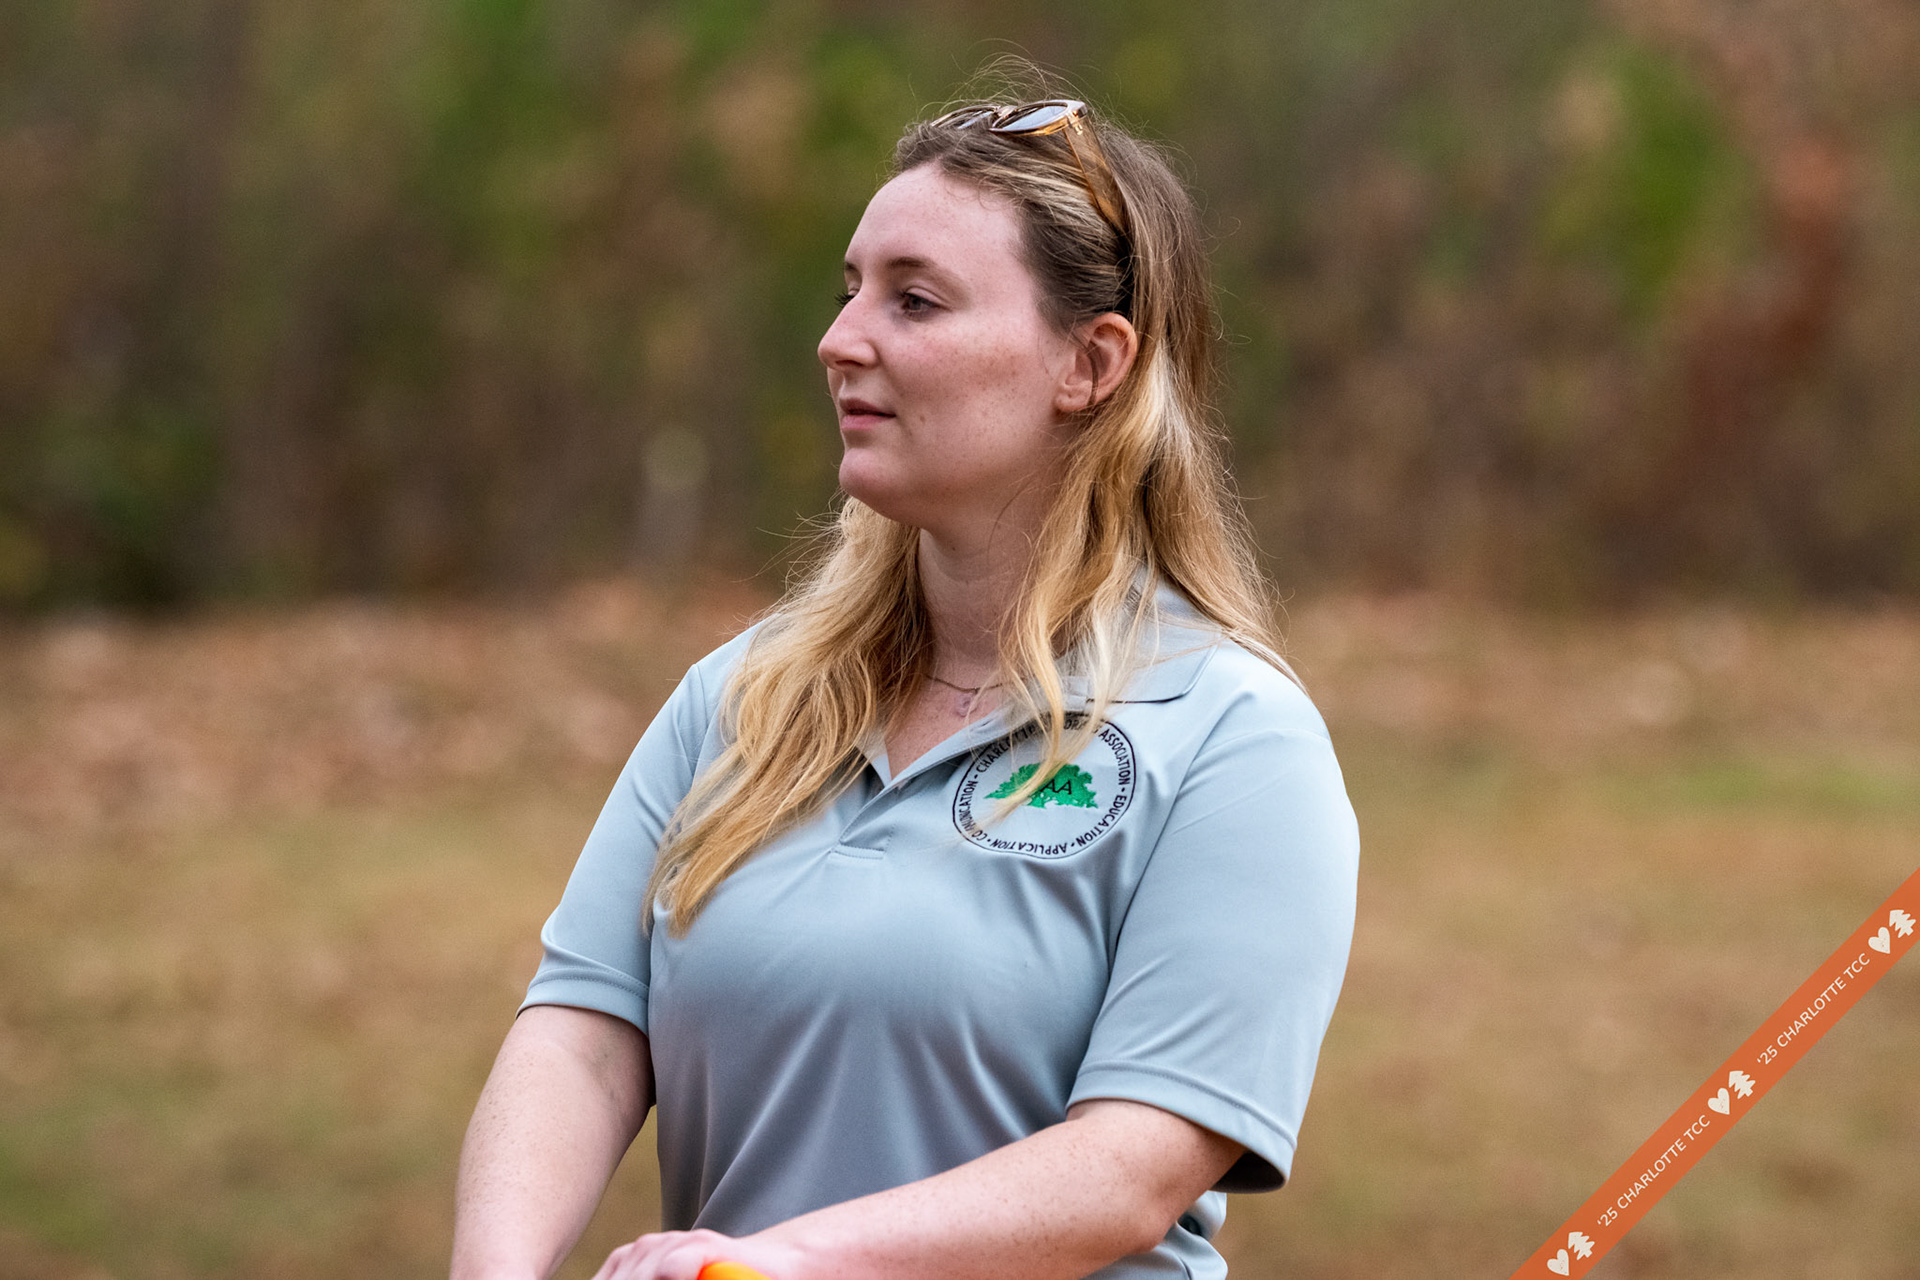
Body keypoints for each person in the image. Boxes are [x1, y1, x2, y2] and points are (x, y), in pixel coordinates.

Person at [450, 69, 1360, 1280]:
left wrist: (789, 1261)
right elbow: (584, 1034)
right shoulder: (740, 699)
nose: (840, 339)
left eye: (915, 300)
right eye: (850, 290)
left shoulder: (1236, 739)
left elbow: (1132, 1167)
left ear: (1089, 363)